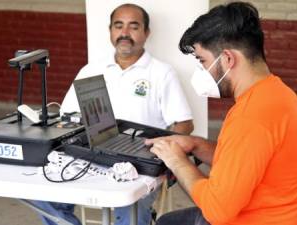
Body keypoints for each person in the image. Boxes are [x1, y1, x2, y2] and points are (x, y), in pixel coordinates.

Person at [146, 2, 297, 225]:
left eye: (202, 61)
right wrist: (196, 145)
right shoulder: (277, 93)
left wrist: (177, 162)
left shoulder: (251, 116)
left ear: (228, 59)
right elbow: (246, 161)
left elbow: (217, 211)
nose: (201, 71)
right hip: (284, 211)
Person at [32, 3, 194, 225]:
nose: (125, 33)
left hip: (138, 164)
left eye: (133, 26)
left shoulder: (162, 73)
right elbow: (67, 116)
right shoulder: (91, 70)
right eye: (119, 26)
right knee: (41, 195)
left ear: (146, 33)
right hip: (91, 156)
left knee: (129, 210)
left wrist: (161, 155)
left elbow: (185, 124)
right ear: (110, 31)